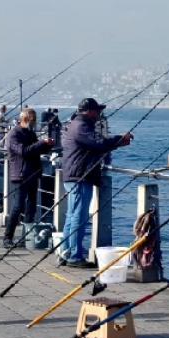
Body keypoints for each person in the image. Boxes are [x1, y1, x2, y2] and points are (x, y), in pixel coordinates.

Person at [59, 97, 132, 268]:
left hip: (74, 174)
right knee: (79, 216)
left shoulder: (76, 124)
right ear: (90, 112)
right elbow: (99, 143)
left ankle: (66, 251)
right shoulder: (82, 126)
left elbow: (96, 144)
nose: (100, 114)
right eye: (98, 111)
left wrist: (116, 142)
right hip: (80, 176)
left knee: (72, 215)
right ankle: (74, 256)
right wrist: (120, 139)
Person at [2, 108, 54, 248]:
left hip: (33, 173)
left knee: (32, 206)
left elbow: (36, 149)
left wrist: (47, 145)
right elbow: (23, 152)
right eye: (32, 120)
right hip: (20, 174)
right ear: (24, 119)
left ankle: (27, 236)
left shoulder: (29, 133)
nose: (34, 123)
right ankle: (8, 237)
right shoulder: (14, 134)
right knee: (18, 206)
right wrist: (41, 143)